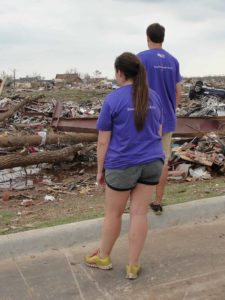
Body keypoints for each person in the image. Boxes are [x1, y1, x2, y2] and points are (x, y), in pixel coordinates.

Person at [85, 52, 165, 279]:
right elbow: (158, 131)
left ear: (120, 73)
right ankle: (133, 265)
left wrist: (100, 170)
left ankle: (103, 257)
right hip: (152, 162)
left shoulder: (113, 99)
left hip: (121, 164)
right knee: (139, 213)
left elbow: (103, 140)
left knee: (113, 214)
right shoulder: (154, 97)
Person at [138, 23, 182, 215]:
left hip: (146, 119)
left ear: (148, 37)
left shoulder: (140, 58)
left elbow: (133, 88)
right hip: (168, 119)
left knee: (140, 159)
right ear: (163, 37)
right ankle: (157, 201)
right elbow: (178, 92)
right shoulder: (173, 61)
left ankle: (138, 203)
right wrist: (171, 109)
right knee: (163, 160)